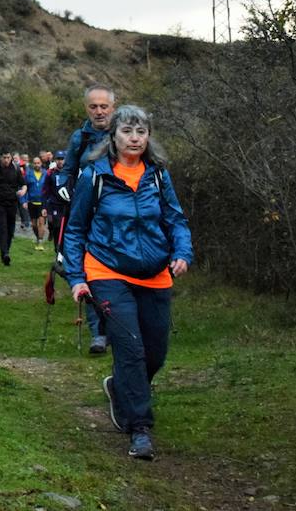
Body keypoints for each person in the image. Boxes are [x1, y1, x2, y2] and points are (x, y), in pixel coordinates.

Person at [63, 105, 192, 461]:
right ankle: (139, 429)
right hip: (107, 272)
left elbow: (176, 220)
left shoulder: (158, 176)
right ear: (114, 137)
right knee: (131, 349)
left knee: (156, 353)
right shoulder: (96, 176)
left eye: (141, 132)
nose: (134, 139)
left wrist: (182, 252)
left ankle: (120, 388)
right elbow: (75, 229)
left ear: (148, 137)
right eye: (127, 132)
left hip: (155, 274)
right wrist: (77, 277)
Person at [57, 84, 117, 354]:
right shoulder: (79, 138)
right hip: (89, 215)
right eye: (94, 106)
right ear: (86, 109)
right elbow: (67, 169)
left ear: (112, 108)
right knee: (91, 271)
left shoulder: (124, 133)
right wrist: (64, 186)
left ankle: (123, 326)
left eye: (104, 106)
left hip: (121, 215)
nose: (99, 111)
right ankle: (99, 333)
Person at [0, 151, 26, 266]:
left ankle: (5, 251)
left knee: (10, 230)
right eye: (4, 158)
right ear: (0, 158)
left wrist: (23, 191)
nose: (6, 160)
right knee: (2, 228)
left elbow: (23, 184)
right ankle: (6, 253)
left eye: (8, 157)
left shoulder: (16, 169)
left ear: (11, 158)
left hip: (12, 203)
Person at [24, 153, 49, 250]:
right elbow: (24, 187)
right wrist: (24, 201)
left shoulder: (46, 174)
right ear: (32, 164)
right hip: (32, 202)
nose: (37, 165)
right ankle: (38, 238)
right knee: (34, 224)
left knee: (41, 223)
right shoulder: (28, 174)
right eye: (35, 163)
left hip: (43, 203)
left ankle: (40, 243)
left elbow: (49, 188)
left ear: (41, 163)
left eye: (38, 163)